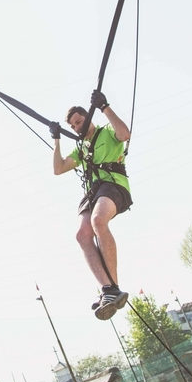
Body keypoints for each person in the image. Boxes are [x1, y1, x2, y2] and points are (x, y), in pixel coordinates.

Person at [50, 90, 132, 320]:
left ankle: (112, 287)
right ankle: (107, 289)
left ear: (88, 117)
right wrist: (56, 140)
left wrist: (104, 106)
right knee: (82, 234)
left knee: (98, 221)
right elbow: (58, 169)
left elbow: (124, 134)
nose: (77, 127)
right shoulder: (81, 148)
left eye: (79, 122)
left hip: (113, 186)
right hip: (94, 193)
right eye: (73, 126)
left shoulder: (107, 132)